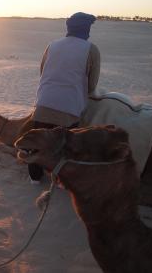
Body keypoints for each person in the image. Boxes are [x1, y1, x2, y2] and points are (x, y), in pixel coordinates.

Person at [29, 12, 101, 184]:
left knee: (37, 141)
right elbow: (91, 86)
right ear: (86, 30)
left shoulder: (52, 45)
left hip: (43, 103)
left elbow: (42, 72)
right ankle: (61, 180)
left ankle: (34, 178)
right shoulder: (91, 49)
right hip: (69, 109)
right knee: (66, 146)